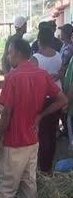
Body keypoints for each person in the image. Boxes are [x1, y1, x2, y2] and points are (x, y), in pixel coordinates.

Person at [0, 38, 66, 198]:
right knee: (29, 185)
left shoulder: (12, 77)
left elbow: (6, 113)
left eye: (10, 52)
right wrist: (41, 116)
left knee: (6, 190)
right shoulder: (41, 74)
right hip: (32, 140)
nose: (8, 56)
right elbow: (62, 99)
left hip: (14, 142)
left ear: (18, 53)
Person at [31, 27, 64, 172]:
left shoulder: (36, 58)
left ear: (39, 40)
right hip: (57, 97)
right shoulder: (58, 55)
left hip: (42, 98)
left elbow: (31, 80)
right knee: (51, 131)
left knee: (41, 133)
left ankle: (42, 166)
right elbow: (60, 73)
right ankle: (48, 164)